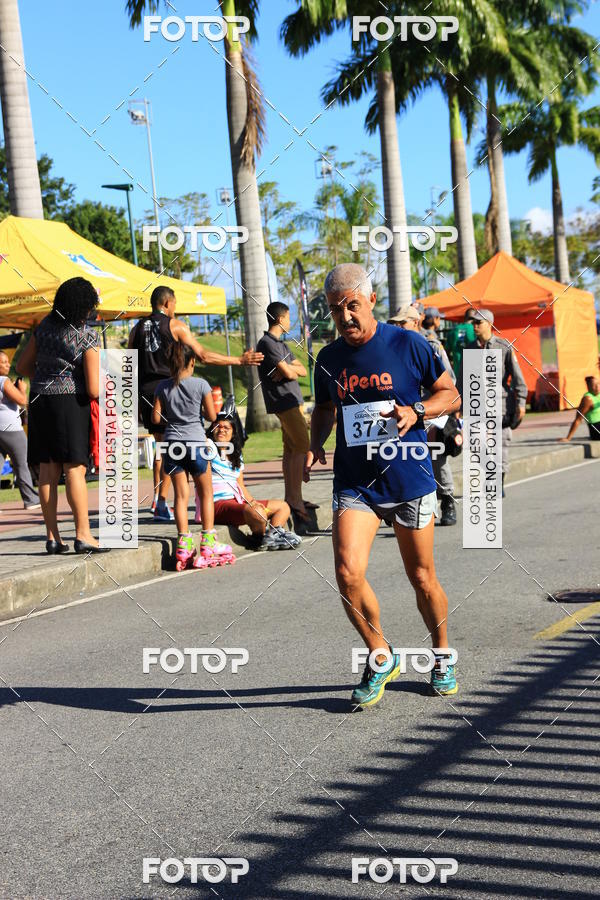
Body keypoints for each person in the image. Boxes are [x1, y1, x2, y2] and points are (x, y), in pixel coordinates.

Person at [305, 263, 461, 707]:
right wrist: (316, 443)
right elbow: (323, 408)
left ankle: (442, 655)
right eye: (336, 310)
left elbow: (450, 393)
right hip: (356, 483)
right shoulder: (329, 358)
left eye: (352, 305)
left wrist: (417, 411)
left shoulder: (410, 344)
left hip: (409, 476)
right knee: (347, 573)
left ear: (371, 300)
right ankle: (380, 654)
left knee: (422, 577)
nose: (345, 317)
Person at [129, 285, 263, 522]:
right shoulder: (175, 326)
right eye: (175, 305)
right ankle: (174, 501)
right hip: (172, 387)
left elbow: (129, 365)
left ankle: (159, 501)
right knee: (178, 445)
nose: (175, 310)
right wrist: (239, 360)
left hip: (147, 392)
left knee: (161, 447)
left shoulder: (135, 329)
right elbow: (202, 355)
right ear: (168, 303)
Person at [16, 277, 109, 554]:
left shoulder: (43, 327)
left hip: (41, 401)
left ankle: (53, 537)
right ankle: (83, 534)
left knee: (47, 470)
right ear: (84, 306)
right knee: (74, 470)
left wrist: (46, 379)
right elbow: (93, 388)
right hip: (70, 404)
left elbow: (22, 365)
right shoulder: (87, 335)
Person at [152, 341, 234, 569]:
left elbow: (156, 419)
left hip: (171, 445)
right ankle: (208, 542)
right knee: (205, 494)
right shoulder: (201, 385)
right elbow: (211, 415)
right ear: (192, 361)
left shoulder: (162, 387)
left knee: (180, 495)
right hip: (196, 443)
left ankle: (184, 542)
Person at [204, 412, 302, 550]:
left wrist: (253, 502)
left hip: (237, 501)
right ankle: (259, 539)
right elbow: (200, 437)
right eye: (218, 427)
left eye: (227, 428)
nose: (222, 430)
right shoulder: (208, 447)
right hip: (217, 504)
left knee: (283, 506)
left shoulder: (235, 455)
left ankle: (273, 535)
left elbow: (240, 485)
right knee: (257, 513)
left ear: (233, 433)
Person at [458, 308, 528, 497]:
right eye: (473, 323)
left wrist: (521, 403)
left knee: (500, 445)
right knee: (476, 445)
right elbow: (463, 381)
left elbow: (518, 378)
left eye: (478, 323)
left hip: (500, 407)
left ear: (489, 324)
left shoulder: (503, 347)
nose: (474, 326)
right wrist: (459, 408)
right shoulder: (469, 349)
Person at [256, 301, 314, 521]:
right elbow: (289, 374)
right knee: (302, 445)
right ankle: (295, 500)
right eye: (289, 317)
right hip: (283, 402)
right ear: (280, 319)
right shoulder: (267, 343)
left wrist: (289, 369)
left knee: (291, 449)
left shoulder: (281, 344)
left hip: (292, 400)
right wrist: (289, 370)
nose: (291, 322)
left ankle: (291, 498)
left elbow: (300, 370)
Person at [421, 307, 457, 527]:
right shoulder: (392, 347)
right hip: (404, 414)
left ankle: (448, 501)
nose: (399, 326)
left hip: (431, 412)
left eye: (403, 322)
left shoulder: (432, 345)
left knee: (437, 458)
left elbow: (449, 380)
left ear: (415, 322)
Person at [0, 351, 40, 510]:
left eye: (7, 361)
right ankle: (30, 499)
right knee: (22, 463)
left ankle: (30, 498)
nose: (7, 365)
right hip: (11, 430)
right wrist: (22, 389)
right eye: (3, 362)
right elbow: (23, 401)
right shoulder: (4, 381)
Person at [560, 375, 600, 441]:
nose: (597, 387)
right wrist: (568, 438)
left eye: (598, 384)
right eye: (594, 385)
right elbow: (578, 419)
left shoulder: (599, 394)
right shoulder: (587, 399)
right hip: (596, 429)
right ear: (588, 386)